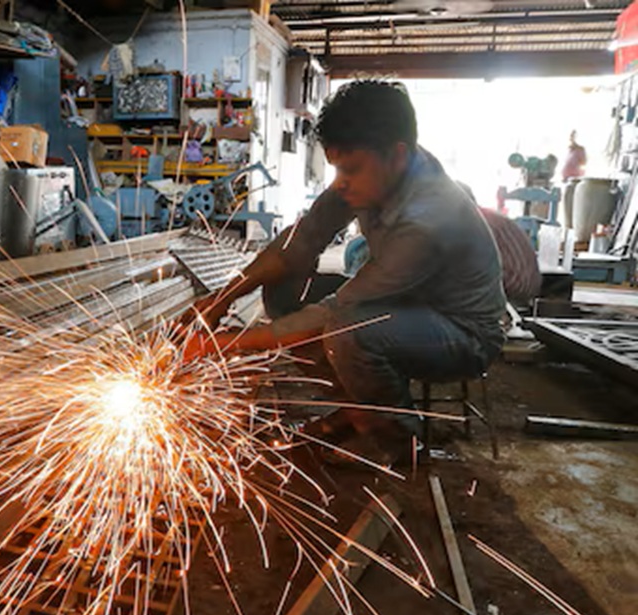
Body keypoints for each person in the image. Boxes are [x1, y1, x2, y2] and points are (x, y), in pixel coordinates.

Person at [181, 80, 505, 464]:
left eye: (350, 169)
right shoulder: (380, 169)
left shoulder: (426, 221)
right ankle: (359, 410)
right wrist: (221, 299)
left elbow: (332, 314)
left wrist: (222, 345)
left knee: (348, 333)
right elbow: (300, 242)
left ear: (397, 156)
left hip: (462, 333)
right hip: (404, 304)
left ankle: (396, 441)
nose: (340, 182)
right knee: (285, 292)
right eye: (336, 168)